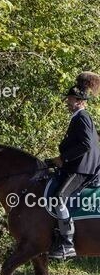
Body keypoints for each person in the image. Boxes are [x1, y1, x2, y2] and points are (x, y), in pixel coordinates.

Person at [44, 72, 100, 259]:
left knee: (59, 198)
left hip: (82, 169)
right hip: (77, 166)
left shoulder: (82, 116)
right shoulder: (78, 117)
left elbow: (87, 144)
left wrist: (63, 159)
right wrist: (55, 160)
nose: (67, 102)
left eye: (69, 99)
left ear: (78, 100)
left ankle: (67, 243)